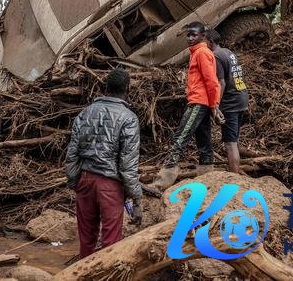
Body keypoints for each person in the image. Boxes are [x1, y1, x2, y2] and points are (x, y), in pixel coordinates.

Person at [65, 68, 143, 259]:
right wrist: (137, 199)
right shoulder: (129, 118)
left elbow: (72, 153)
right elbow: (128, 164)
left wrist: (75, 182)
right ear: (127, 89)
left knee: (86, 241)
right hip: (110, 185)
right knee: (111, 243)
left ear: (106, 88)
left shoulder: (85, 113)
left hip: (84, 180)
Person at [151, 22, 221, 191]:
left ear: (203, 36)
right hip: (201, 101)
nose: (190, 38)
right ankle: (206, 176)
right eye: (188, 35)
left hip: (199, 102)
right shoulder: (198, 52)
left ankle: (162, 182)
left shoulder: (202, 53)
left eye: (193, 35)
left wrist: (214, 105)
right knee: (204, 140)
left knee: (180, 138)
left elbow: (212, 82)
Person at [206, 30, 249, 174]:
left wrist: (216, 104)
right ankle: (236, 170)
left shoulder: (216, 56)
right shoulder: (228, 52)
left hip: (231, 102)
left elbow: (221, 82)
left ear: (211, 42)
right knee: (234, 140)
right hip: (241, 97)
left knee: (230, 143)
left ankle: (234, 177)